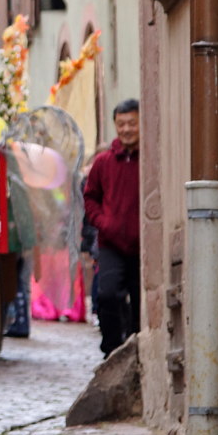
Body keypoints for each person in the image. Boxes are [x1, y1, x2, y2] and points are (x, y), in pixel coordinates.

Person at [83, 99, 142, 354]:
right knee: (107, 296)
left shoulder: (151, 159)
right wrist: (102, 223)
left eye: (132, 123)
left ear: (141, 123)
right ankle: (111, 351)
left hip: (143, 245)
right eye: (121, 124)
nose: (126, 129)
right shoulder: (103, 162)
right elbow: (90, 197)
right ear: (115, 126)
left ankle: (138, 347)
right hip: (110, 244)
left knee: (142, 301)